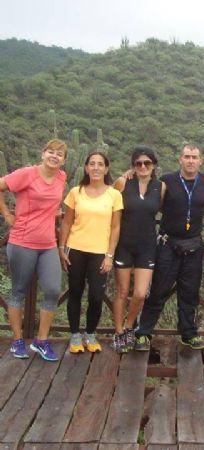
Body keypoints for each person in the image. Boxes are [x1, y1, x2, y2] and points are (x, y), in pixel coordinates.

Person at [134, 143, 204, 351]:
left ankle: (188, 334)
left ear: (201, 161)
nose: (191, 160)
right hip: (168, 244)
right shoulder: (167, 180)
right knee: (158, 290)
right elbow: (150, 202)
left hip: (194, 246)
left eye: (195, 157)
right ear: (180, 160)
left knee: (189, 293)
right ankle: (144, 332)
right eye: (187, 157)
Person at [0, 139, 68, 361]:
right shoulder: (27, 174)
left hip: (47, 244)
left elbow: (51, 204)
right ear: (43, 153)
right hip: (22, 242)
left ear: (64, 160)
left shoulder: (61, 177)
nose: (54, 156)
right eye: (51, 151)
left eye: (59, 154)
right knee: (18, 291)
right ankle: (18, 340)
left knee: (52, 289)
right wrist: (7, 215)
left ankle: (41, 341)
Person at [59, 151, 124, 354]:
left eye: (100, 164)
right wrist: (61, 248)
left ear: (106, 169)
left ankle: (90, 333)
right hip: (75, 249)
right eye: (92, 164)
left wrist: (109, 255)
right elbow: (67, 221)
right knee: (75, 292)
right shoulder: (75, 192)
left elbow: (115, 227)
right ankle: (75, 335)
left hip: (100, 253)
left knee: (96, 295)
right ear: (86, 168)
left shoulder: (114, 195)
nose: (96, 168)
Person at [111, 146, 165, 353]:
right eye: (138, 163)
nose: (143, 167)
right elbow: (111, 210)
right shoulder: (123, 183)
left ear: (154, 166)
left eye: (147, 163)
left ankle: (129, 326)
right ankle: (118, 332)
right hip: (124, 244)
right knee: (122, 291)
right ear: (133, 166)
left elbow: (162, 209)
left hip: (147, 246)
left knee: (141, 293)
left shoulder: (160, 187)